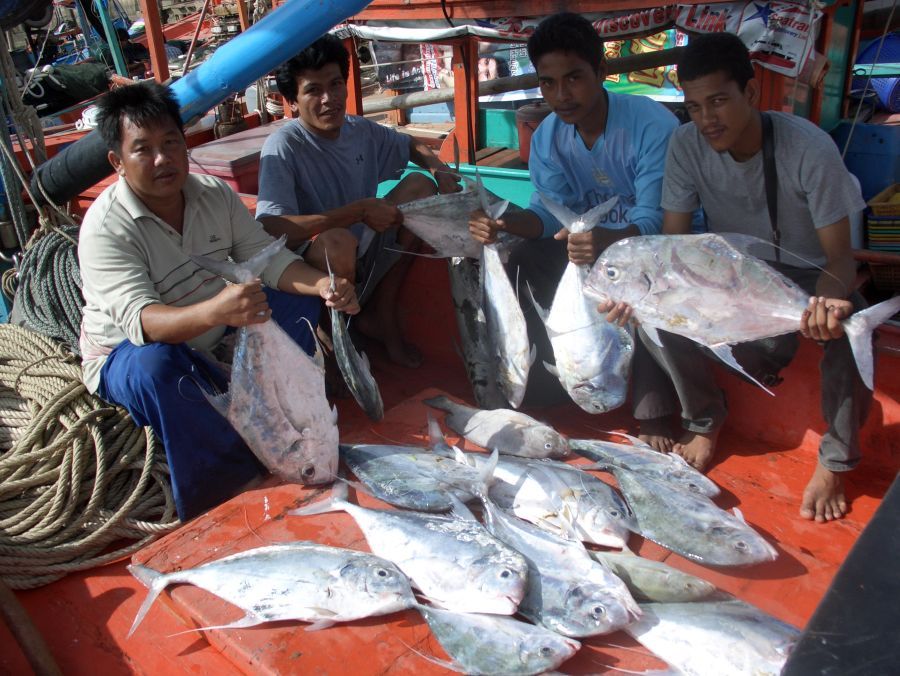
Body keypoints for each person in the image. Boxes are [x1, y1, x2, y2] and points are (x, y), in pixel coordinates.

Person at [601, 32, 869, 523]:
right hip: (736, 274)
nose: (707, 119)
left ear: (751, 94)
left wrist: (826, 306)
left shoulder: (809, 148)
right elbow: (671, 250)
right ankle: (704, 420)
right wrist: (641, 297)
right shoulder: (686, 145)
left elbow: (841, 260)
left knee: (850, 333)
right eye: (695, 106)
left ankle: (834, 462)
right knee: (656, 315)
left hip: (811, 275)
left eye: (719, 101)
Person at [78, 81, 359, 521]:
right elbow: (143, 321)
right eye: (143, 149)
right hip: (130, 355)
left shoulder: (213, 193)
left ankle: (288, 416)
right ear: (117, 161)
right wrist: (219, 311)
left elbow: (269, 263)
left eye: (171, 142)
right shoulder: (105, 228)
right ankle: (223, 487)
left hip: (218, 325)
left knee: (300, 306)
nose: (162, 159)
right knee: (158, 368)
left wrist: (323, 286)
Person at [468, 12, 692, 417]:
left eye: (573, 78)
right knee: (523, 259)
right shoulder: (550, 137)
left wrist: (604, 242)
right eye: (548, 83)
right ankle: (545, 383)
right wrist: (506, 225)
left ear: (601, 70)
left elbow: (656, 222)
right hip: (589, 250)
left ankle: (652, 408)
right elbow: (550, 215)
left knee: (639, 283)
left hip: (651, 250)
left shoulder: (651, 125)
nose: (561, 95)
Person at [256, 34, 461, 370]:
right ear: (292, 99)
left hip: (362, 246)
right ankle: (332, 338)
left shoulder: (360, 130)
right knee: (338, 241)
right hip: (314, 266)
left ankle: (383, 313)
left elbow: (411, 145)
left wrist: (441, 171)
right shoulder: (283, 146)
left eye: (336, 84)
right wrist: (356, 212)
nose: (329, 99)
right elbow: (270, 229)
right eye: (313, 90)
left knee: (419, 186)